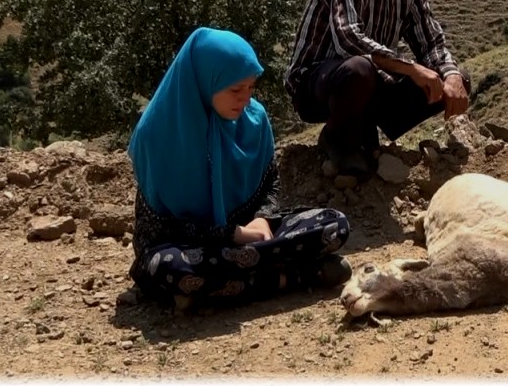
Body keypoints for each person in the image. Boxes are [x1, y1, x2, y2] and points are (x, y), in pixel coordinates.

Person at [128, 26, 352, 308]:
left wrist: (262, 218)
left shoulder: (254, 119)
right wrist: (231, 235)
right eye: (235, 89)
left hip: (253, 236)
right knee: (168, 267)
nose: (246, 99)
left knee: (333, 224)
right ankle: (292, 277)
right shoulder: (157, 134)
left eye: (250, 88)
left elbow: (270, 183)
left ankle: (222, 288)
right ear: (204, 81)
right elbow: (158, 226)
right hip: (186, 244)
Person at [286, 0, 471, 180]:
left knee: (453, 82)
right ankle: (337, 138)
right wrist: (411, 69)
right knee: (359, 70)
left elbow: (431, 42)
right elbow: (349, 39)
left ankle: (362, 127)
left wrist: (450, 75)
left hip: (371, 81)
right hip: (317, 84)